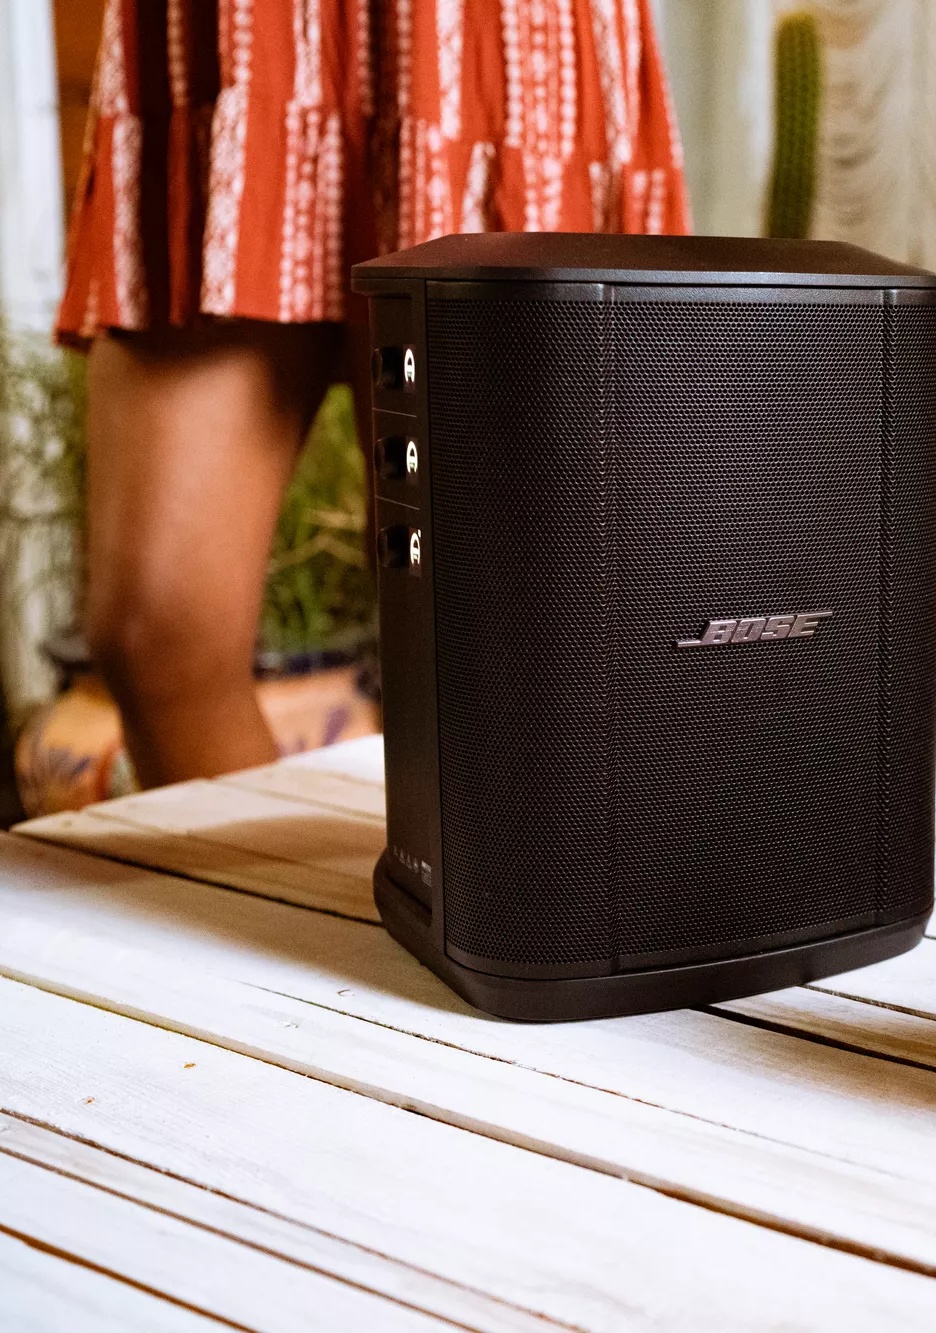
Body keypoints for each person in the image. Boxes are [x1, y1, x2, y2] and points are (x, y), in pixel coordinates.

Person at [57, 0, 688, 789]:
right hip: (238, 29)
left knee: (487, 643)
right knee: (158, 632)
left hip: (483, 33)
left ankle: (462, 910)